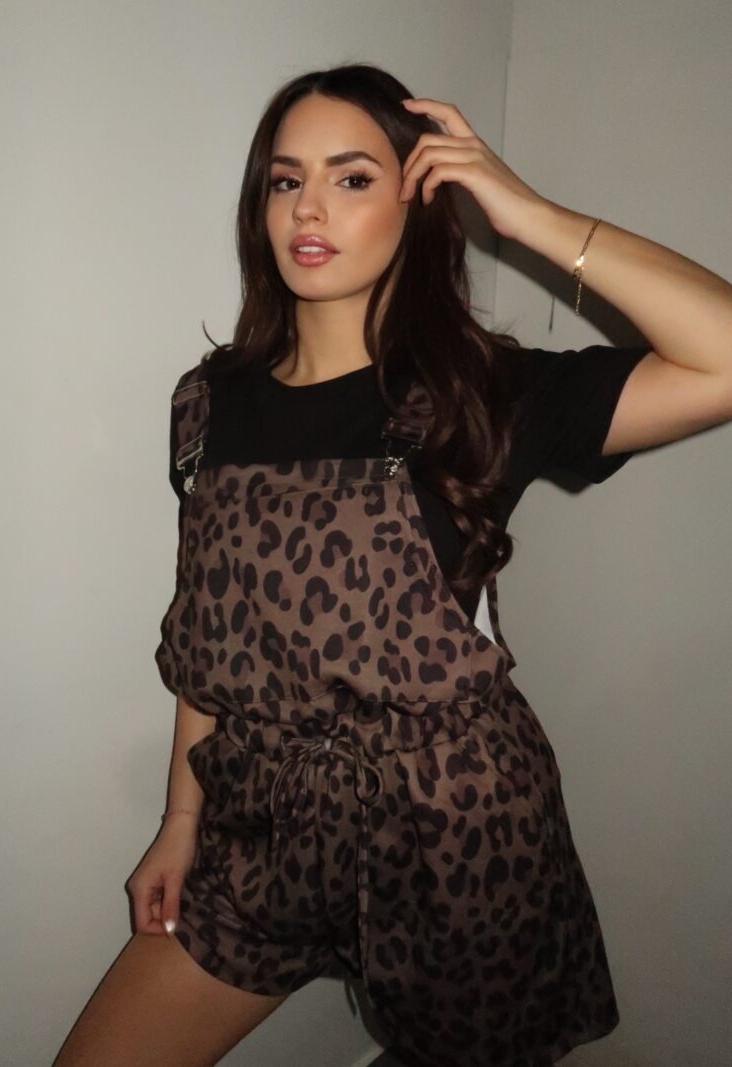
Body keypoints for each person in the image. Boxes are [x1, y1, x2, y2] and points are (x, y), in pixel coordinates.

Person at [52, 63, 732, 1067]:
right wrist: (179, 819)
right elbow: (211, 633)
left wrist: (528, 214)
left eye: (352, 177)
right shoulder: (208, 403)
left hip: (454, 833)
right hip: (262, 819)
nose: (308, 207)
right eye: (286, 180)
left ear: (418, 201)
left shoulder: (480, 395)